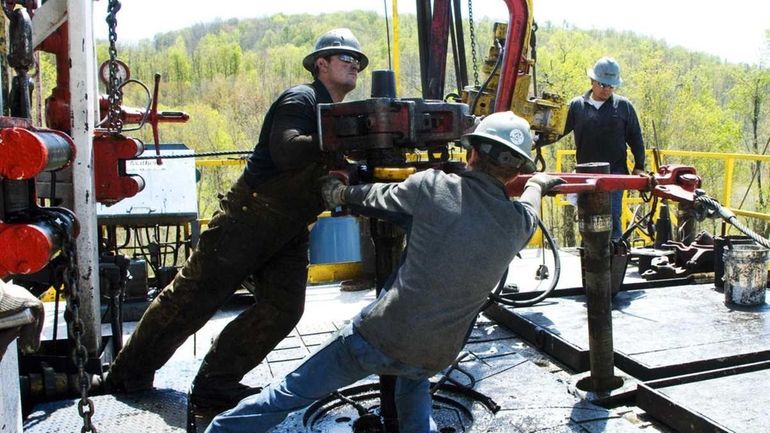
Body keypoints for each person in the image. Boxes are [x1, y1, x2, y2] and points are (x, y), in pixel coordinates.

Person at [204, 111, 565, 433]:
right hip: (436, 352)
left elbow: (374, 197)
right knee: (413, 378)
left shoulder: (432, 187)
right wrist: (538, 184)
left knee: (290, 393)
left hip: (378, 337)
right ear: (518, 169)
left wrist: (340, 191)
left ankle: (220, 431)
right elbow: (531, 205)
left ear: (471, 153)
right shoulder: (519, 224)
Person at [105, 28, 369, 409]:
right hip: (248, 218)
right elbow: (286, 151)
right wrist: (345, 139)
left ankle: (217, 382)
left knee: (283, 308)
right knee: (192, 300)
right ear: (321, 64)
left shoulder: (334, 115)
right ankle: (126, 378)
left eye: (357, 61)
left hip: (289, 227)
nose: (354, 65)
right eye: (345, 58)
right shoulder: (302, 98)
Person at [562, 56, 645, 240]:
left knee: (613, 218)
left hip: (615, 175)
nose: (606, 89)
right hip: (586, 175)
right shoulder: (577, 106)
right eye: (602, 84)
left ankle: (614, 257)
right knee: (588, 219)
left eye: (611, 86)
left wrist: (639, 165)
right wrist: (535, 141)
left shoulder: (623, 107)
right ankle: (591, 257)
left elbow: (636, 138)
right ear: (592, 81)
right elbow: (558, 130)